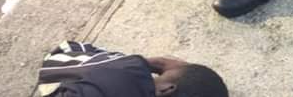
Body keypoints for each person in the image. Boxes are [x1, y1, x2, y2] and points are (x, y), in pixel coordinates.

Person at [36, 41, 228, 97]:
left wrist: (146, 63)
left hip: (55, 79)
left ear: (167, 89)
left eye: (177, 67)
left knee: (113, 59)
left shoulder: (131, 72)